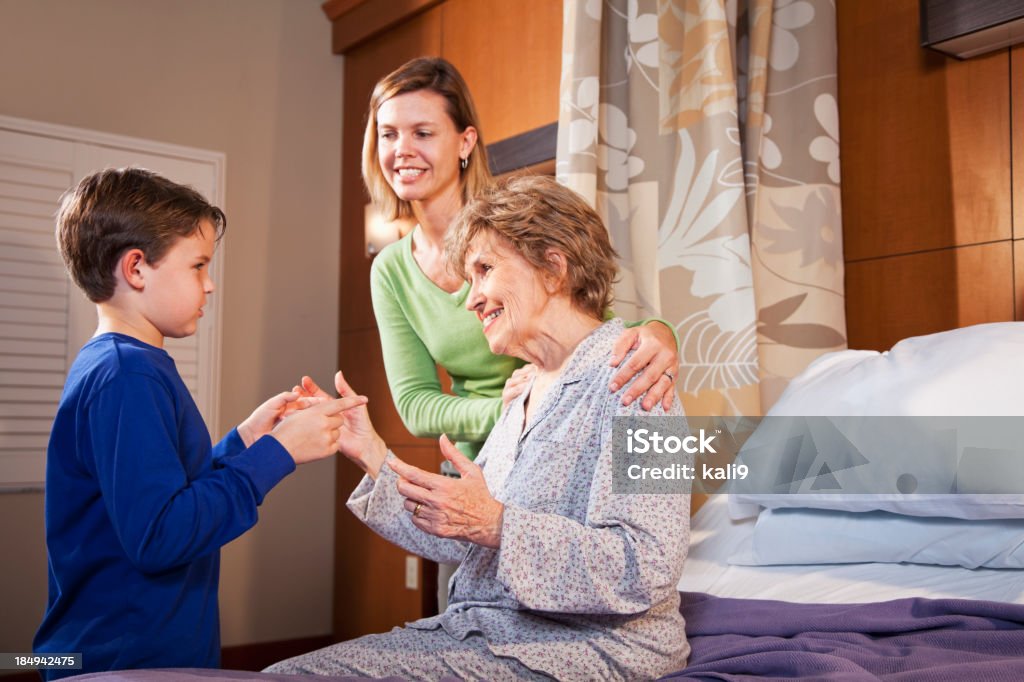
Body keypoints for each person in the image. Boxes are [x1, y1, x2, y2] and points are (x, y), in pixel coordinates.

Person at [267, 175, 691, 680]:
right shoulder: (522, 391)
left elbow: (646, 565)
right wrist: (372, 452)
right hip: (494, 635)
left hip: (595, 649)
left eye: (485, 270)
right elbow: (461, 534)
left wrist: (497, 524)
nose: (471, 300)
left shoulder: (642, 381)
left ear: (554, 267)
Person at [316, 56, 681, 609]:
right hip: (489, 457)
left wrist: (660, 332)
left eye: (422, 131)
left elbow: (596, 314)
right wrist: (375, 452)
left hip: (562, 446)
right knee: (471, 608)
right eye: (388, 134)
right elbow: (416, 405)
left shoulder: (525, 229)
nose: (470, 296)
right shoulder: (392, 268)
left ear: (465, 141)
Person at [33, 168, 366, 679]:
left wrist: (247, 440)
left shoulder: (122, 365)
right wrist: (276, 455)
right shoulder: (127, 376)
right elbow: (161, 536)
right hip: (123, 661)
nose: (209, 285)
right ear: (137, 269)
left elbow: (164, 495)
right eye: (198, 266)